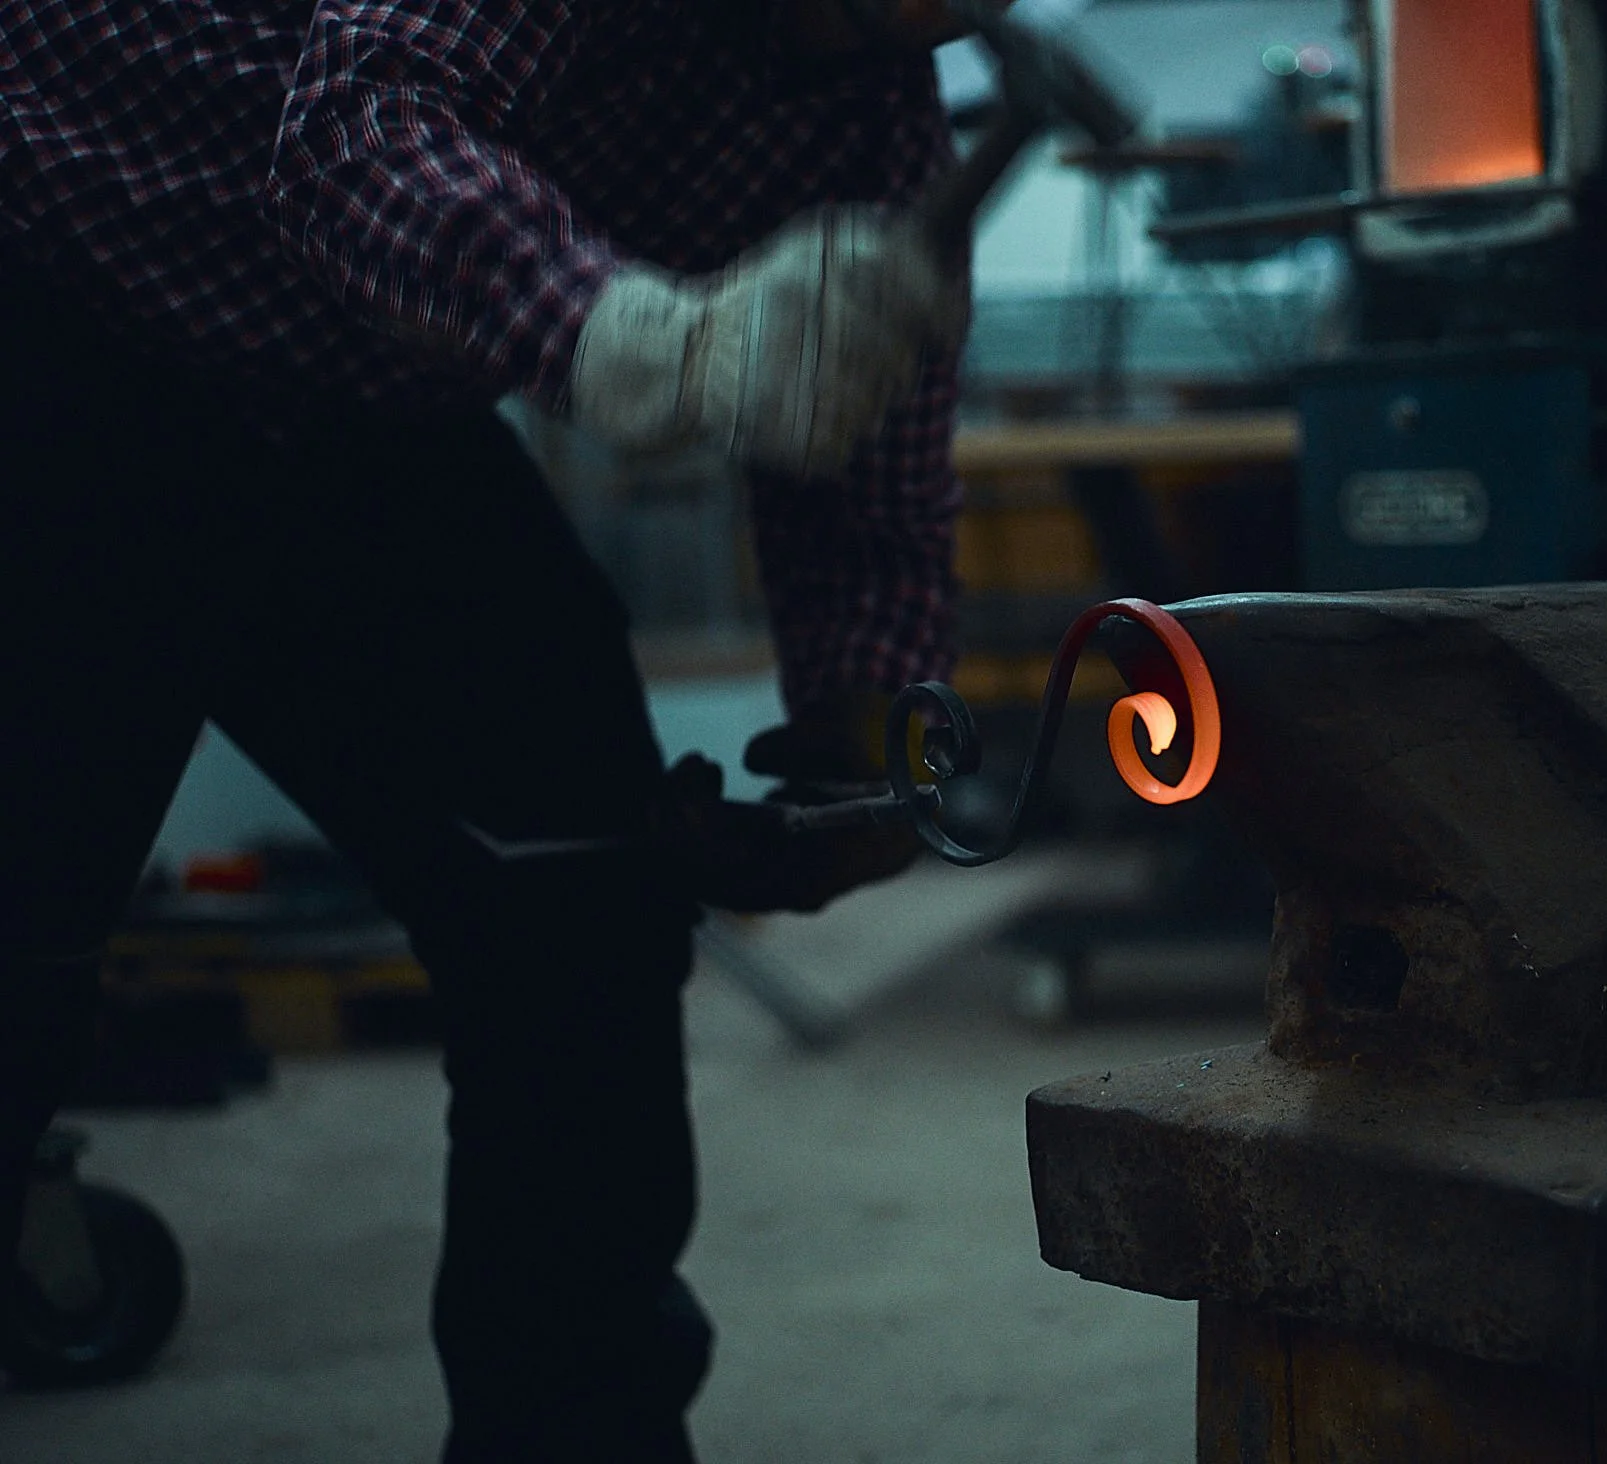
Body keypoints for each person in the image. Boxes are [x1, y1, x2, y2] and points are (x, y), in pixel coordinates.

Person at [0, 0, 974, 1457]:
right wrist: (649, 339)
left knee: (580, 890)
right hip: (59, 298)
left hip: (360, 418)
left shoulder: (878, 121)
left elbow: (866, 489)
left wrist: (864, 756)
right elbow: (353, 133)